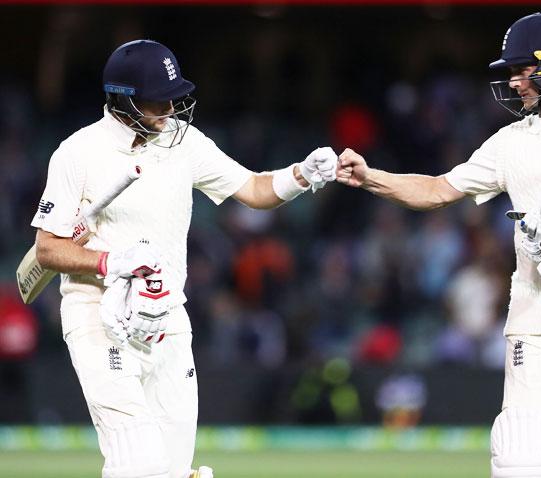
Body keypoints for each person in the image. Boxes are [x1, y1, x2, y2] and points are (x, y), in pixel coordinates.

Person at [337, 12, 541, 478]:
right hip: (533, 325)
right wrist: (372, 177)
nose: (513, 82)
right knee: (519, 463)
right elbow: (437, 190)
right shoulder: (511, 141)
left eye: (520, 70)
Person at [31, 39, 337, 478]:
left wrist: (301, 175)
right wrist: (108, 261)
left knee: (174, 467)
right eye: (160, 100)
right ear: (125, 98)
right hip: (99, 318)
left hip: (168, 315)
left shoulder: (184, 142)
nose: (172, 109)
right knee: (136, 459)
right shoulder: (78, 153)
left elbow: (252, 189)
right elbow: (47, 248)